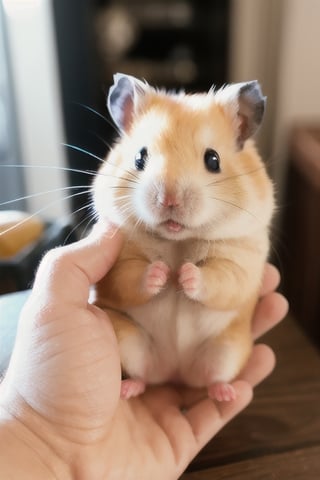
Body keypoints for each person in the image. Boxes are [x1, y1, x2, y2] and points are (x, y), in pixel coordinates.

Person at [0, 224, 288, 479]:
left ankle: (215, 380)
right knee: (127, 341)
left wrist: (204, 282)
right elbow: (119, 291)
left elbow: (231, 290)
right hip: (148, 354)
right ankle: (140, 378)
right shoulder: (125, 232)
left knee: (224, 359)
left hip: (202, 353)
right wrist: (36, 427)